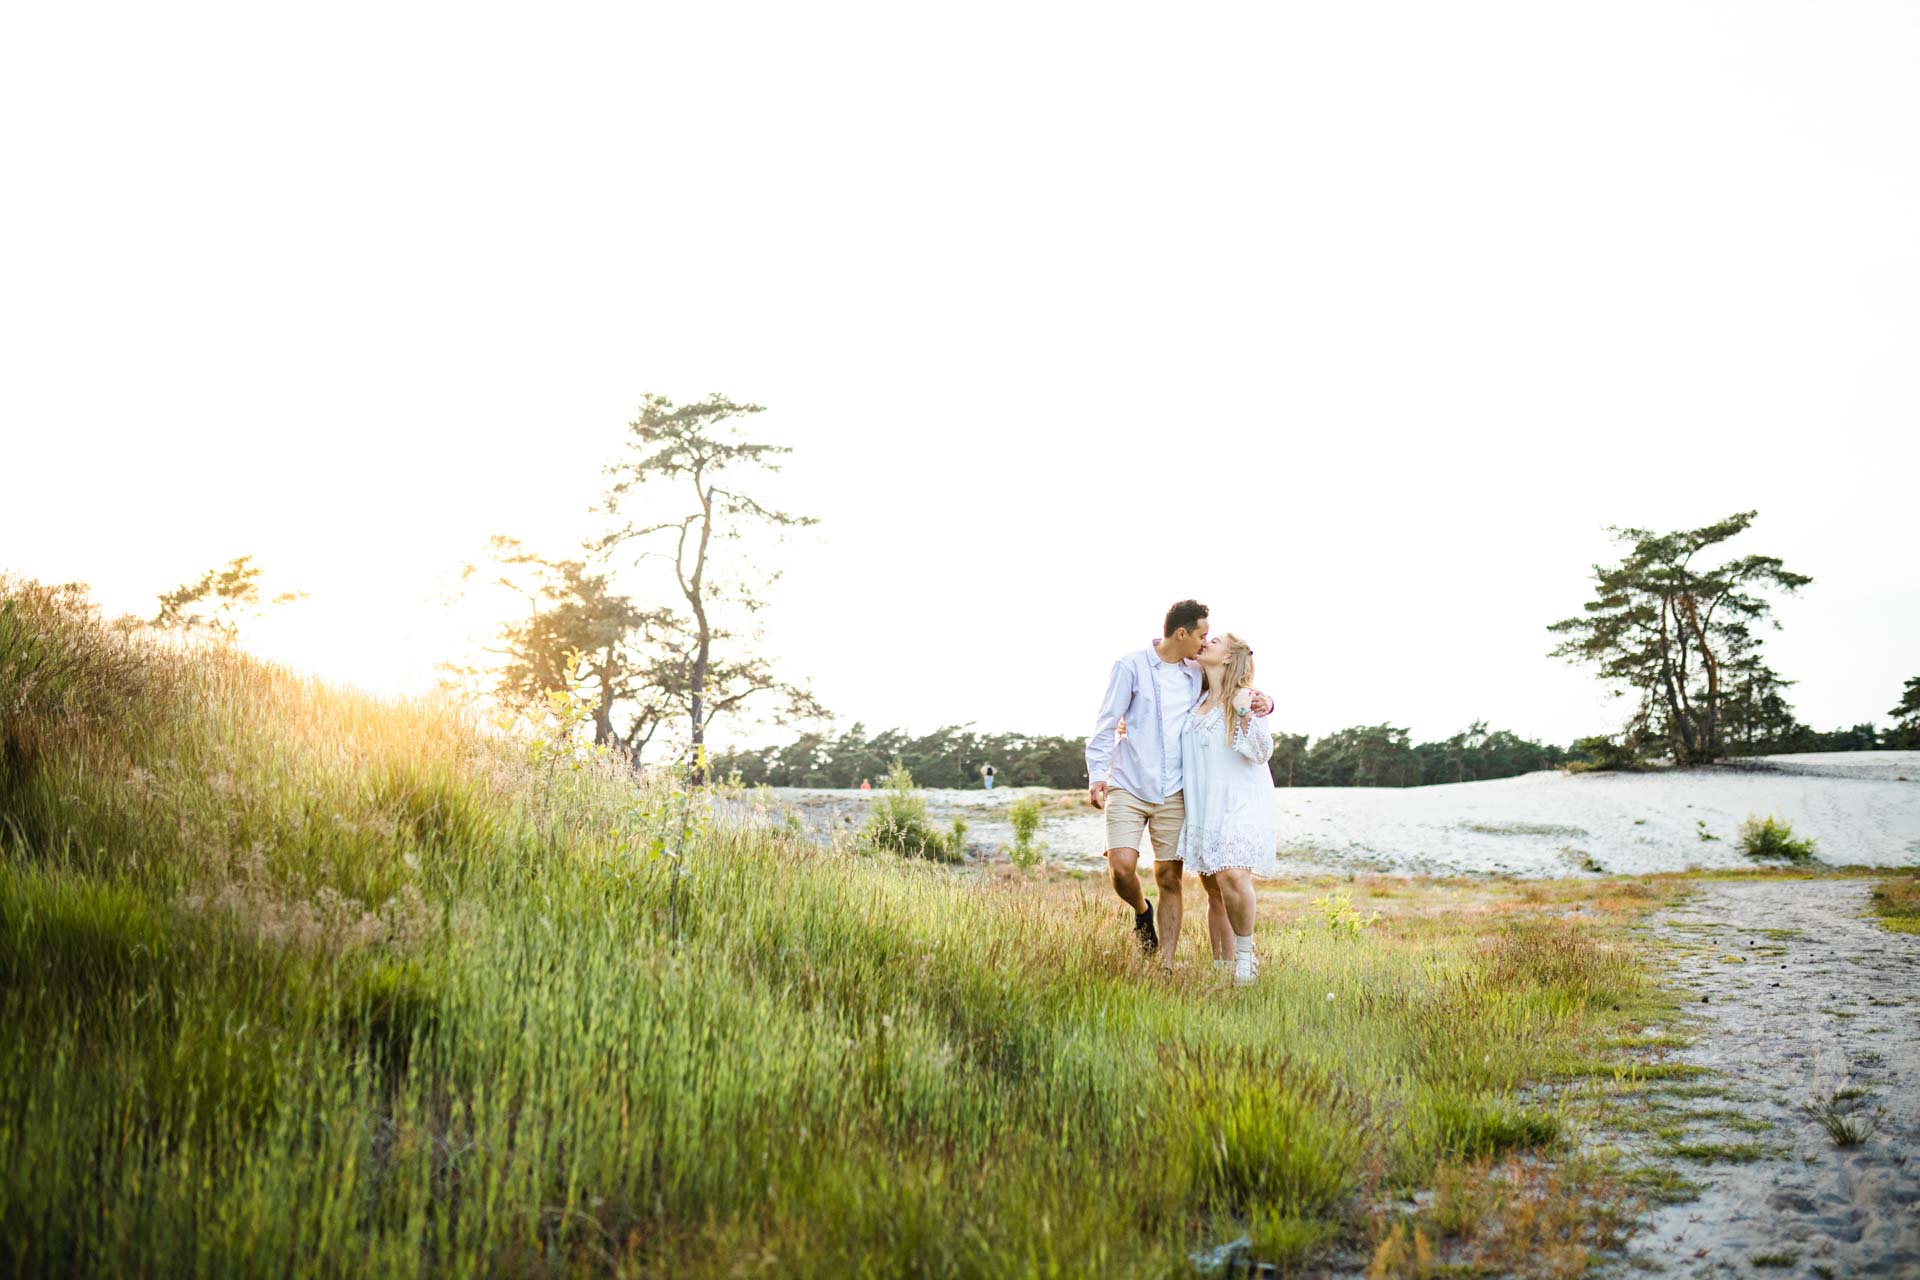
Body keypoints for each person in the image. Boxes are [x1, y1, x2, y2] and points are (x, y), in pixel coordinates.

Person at [1086, 599, 1271, 963]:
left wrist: (1266, 700)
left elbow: (1236, 682)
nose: (1205, 643)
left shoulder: (1195, 671)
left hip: (1175, 790)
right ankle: (1142, 910)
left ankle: (1165, 962)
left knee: (1169, 876)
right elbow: (1107, 722)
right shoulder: (1131, 666)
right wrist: (1096, 775)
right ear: (1182, 633)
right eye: (1202, 635)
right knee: (1121, 868)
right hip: (1128, 782)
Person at [1181, 633, 1278, 984]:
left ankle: (1246, 960)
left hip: (1241, 801)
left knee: (1233, 875)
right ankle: (1222, 967)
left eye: (1215, 640)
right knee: (1213, 889)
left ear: (1228, 658)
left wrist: (1248, 713)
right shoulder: (1194, 699)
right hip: (1204, 806)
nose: (1206, 642)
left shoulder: (1245, 698)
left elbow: (1262, 751)